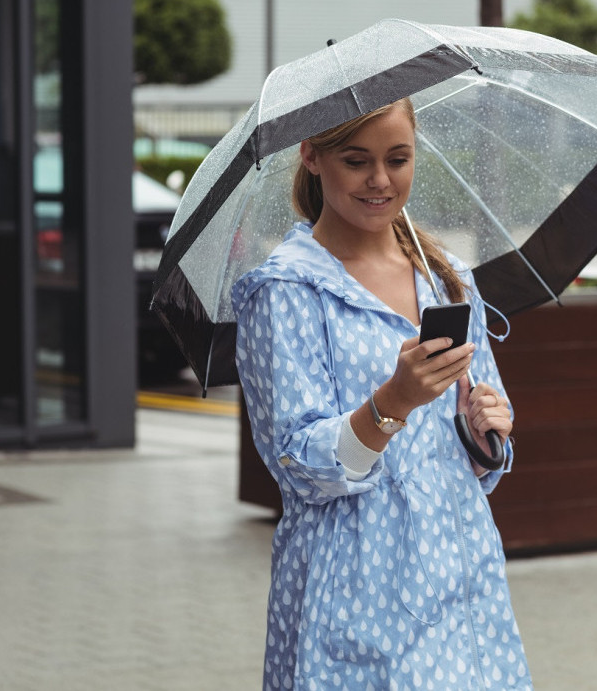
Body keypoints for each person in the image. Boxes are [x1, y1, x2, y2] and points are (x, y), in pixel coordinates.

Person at [231, 97, 533, 689]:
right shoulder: (287, 290)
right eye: (356, 160)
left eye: (398, 159)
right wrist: (392, 402)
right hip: (353, 583)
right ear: (312, 157)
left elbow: (483, 458)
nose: (380, 180)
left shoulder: (447, 277)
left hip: (460, 573)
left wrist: (487, 430)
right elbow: (298, 468)